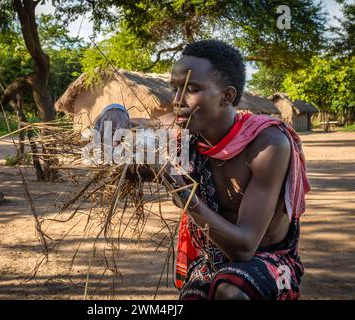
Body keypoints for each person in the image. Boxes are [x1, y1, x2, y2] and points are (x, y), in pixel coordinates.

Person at [94, 39, 310, 300]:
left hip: (270, 259)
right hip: (211, 259)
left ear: (227, 96)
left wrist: (181, 191)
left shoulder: (267, 144)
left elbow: (244, 249)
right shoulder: (183, 130)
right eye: (174, 89)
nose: (176, 101)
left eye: (190, 89)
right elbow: (131, 126)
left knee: (232, 290)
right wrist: (114, 111)